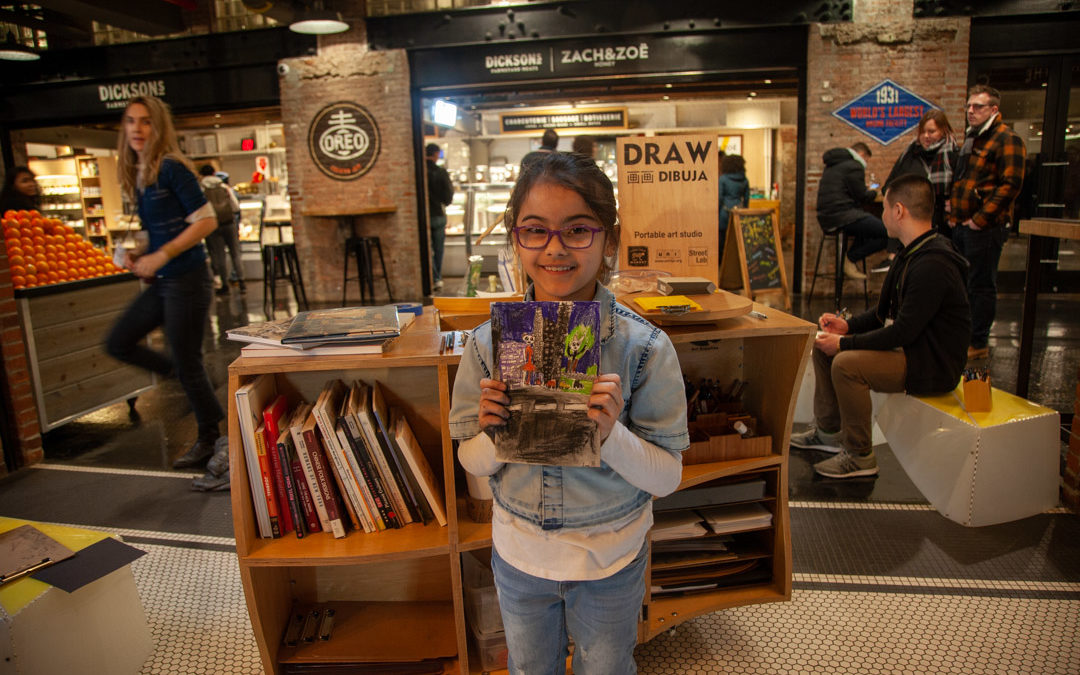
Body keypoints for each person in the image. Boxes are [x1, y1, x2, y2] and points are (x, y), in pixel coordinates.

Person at [449, 152, 688, 674]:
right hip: (517, 554)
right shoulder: (488, 344)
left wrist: (611, 434)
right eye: (535, 230)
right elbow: (472, 463)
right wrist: (493, 434)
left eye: (577, 229)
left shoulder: (644, 347)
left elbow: (668, 476)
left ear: (608, 239)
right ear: (515, 238)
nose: (554, 248)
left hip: (610, 557)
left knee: (606, 667)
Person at [791, 175, 970, 479]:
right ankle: (828, 433)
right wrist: (845, 327)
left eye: (884, 207)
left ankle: (860, 455)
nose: (881, 214)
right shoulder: (911, 253)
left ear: (899, 210)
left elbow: (903, 331)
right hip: (911, 350)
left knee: (846, 364)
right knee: (825, 348)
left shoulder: (933, 264)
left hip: (931, 364)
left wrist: (845, 345)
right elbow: (882, 314)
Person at [103, 95, 228, 492]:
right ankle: (183, 373)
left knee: (187, 359)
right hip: (165, 281)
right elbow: (166, 229)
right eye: (131, 122)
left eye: (146, 122)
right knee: (119, 341)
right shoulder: (142, 173)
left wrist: (160, 255)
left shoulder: (172, 168)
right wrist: (141, 252)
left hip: (187, 279)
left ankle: (210, 439)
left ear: (159, 128)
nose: (137, 129)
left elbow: (206, 221)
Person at [949, 84, 1026, 361]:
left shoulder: (1007, 139)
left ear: (994, 109)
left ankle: (978, 342)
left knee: (981, 285)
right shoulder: (973, 138)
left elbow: (1011, 184)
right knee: (962, 284)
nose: (971, 111)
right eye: (969, 106)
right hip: (960, 224)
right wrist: (952, 208)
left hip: (985, 228)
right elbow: (964, 179)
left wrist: (980, 220)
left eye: (978, 106)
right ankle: (963, 337)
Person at [816, 142, 890, 280]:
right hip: (842, 215)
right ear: (862, 155)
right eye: (867, 160)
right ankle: (850, 259)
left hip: (826, 216)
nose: (866, 164)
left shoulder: (833, 164)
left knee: (866, 229)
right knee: (889, 232)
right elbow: (862, 196)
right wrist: (874, 192)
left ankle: (850, 260)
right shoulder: (854, 166)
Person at [883, 109, 959, 235]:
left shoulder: (952, 155)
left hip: (942, 225)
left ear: (943, 131)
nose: (926, 136)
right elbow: (889, 185)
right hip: (908, 223)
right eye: (922, 132)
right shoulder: (910, 154)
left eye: (931, 131)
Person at [198, 165, 245, 296]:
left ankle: (224, 285)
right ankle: (241, 282)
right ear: (214, 173)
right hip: (229, 223)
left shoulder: (201, 189)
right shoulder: (224, 187)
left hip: (213, 225)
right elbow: (235, 207)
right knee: (235, 253)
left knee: (219, 256)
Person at [425, 143, 454, 292]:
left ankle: (433, 277)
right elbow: (449, 196)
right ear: (436, 154)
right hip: (438, 215)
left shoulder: (420, 171)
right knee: (438, 248)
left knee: (427, 249)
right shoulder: (440, 172)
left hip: (424, 217)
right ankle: (437, 279)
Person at [717, 153, 750, 260]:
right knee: (736, 240)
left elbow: (719, 198)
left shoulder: (723, 179)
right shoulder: (744, 180)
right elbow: (746, 199)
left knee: (722, 240)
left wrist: (716, 213)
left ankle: (722, 262)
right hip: (739, 212)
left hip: (724, 213)